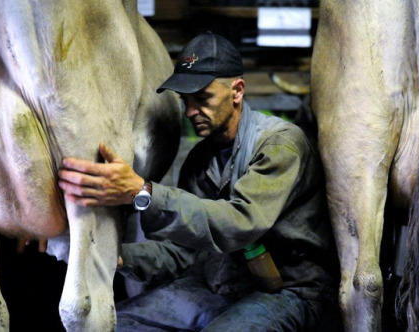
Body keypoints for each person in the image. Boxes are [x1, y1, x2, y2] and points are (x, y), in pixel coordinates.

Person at [58, 32, 339, 331]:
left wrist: (143, 192)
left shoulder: (280, 146)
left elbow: (240, 222)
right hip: (220, 287)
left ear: (237, 91)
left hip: (288, 291)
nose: (191, 111)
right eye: (185, 100)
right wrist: (113, 255)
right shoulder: (199, 160)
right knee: (120, 324)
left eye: (202, 98)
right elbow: (182, 252)